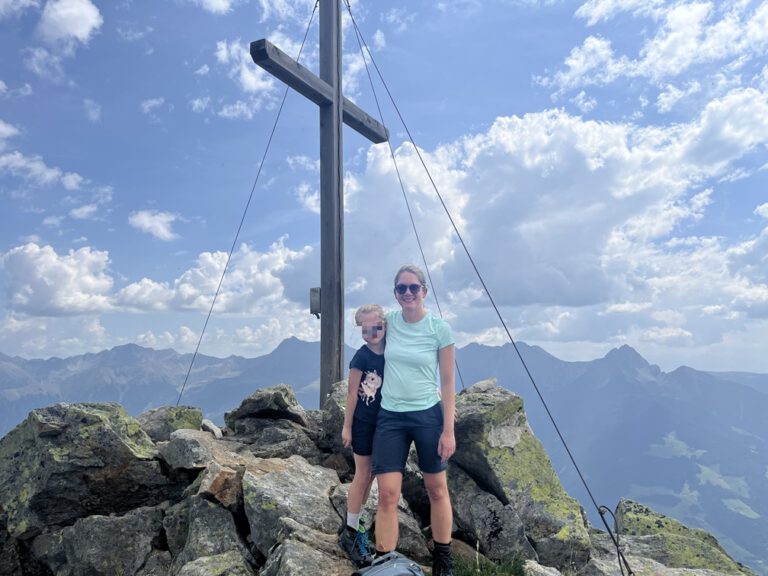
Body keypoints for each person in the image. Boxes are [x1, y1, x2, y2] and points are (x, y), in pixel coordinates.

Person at [373, 264, 456, 576]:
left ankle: (442, 561)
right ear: (395, 294)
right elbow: (368, 340)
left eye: (413, 287)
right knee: (388, 494)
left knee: (436, 489)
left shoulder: (439, 329)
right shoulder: (388, 322)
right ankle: (385, 564)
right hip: (390, 416)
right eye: (401, 288)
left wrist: (448, 429)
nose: (408, 293)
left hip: (427, 415)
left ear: (424, 290)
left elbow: (448, 382)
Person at [338, 303, 387, 567]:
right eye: (366, 330)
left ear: (384, 324)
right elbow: (351, 393)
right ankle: (351, 533)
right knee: (362, 475)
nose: (372, 333)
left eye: (376, 327)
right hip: (363, 424)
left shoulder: (392, 349)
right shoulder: (361, 357)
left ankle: (353, 525)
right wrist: (347, 426)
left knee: (371, 477)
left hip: (385, 423)